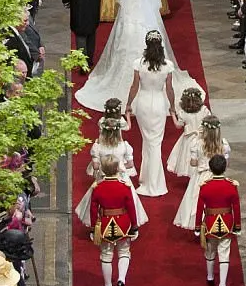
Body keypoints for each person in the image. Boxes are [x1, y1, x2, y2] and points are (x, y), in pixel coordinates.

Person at [76, 0, 190, 113]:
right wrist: (154, 4)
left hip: (131, 4)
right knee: (149, 34)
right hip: (145, 4)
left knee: (126, 38)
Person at [126, 30, 178, 197]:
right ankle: (153, 181)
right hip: (158, 104)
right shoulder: (167, 65)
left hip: (143, 103)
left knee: (148, 142)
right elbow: (169, 89)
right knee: (155, 143)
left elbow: (134, 87)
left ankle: (149, 180)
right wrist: (172, 106)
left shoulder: (139, 63)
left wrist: (128, 104)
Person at [74, 118, 148, 230]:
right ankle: (129, 224)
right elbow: (130, 164)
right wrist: (119, 168)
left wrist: (104, 167)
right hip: (121, 178)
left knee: (98, 201)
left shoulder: (98, 147)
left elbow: (95, 166)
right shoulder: (124, 146)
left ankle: (97, 226)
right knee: (128, 201)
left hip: (103, 178)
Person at [89, 156, 139, 286]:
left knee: (106, 255)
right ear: (117, 168)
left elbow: (93, 210)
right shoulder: (124, 186)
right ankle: (121, 279)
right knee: (124, 251)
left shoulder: (97, 187)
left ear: (103, 170)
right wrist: (134, 225)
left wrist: (93, 228)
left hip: (105, 223)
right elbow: (131, 207)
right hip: (123, 223)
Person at [195, 154, 242, 286]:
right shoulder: (231, 185)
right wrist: (237, 226)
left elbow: (199, 208)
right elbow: (236, 207)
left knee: (210, 251)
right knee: (224, 253)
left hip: (210, 223)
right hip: (227, 223)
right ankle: (222, 285)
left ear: (210, 168)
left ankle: (210, 277)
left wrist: (197, 226)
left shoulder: (205, 186)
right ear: (225, 167)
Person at [175, 115, 231, 228]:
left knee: (197, 200)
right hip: (217, 176)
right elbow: (226, 164)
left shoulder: (198, 143)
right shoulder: (223, 144)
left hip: (200, 176)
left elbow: (193, 163)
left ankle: (198, 224)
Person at [167, 84, 211, 176]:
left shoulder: (183, 113)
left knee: (187, 157)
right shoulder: (204, 110)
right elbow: (209, 121)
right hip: (202, 137)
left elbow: (178, 126)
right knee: (201, 155)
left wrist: (173, 115)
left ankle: (191, 175)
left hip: (188, 139)